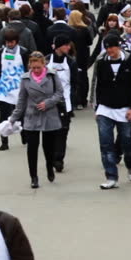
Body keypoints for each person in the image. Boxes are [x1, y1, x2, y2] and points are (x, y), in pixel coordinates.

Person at [6, 52, 64, 189]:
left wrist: (48, 103)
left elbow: (59, 93)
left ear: (44, 65)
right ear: (29, 66)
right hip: (32, 116)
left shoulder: (52, 75)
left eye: (38, 67)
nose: (36, 70)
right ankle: (34, 176)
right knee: (32, 148)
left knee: (48, 148)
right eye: (33, 68)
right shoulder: (25, 79)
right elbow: (21, 100)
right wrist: (12, 119)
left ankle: (49, 167)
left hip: (49, 114)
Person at [93, 34, 131, 190]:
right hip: (105, 108)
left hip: (125, 108)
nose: (109, 50)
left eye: (111, 47)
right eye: (106, 47)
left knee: (126, 141)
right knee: (105, 144)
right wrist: (96, 107)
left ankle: (130, 164)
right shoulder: (101, 61)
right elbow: (96, 84)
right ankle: (111, 176)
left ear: (118, 46)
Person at [0, 29, 30, 151]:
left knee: (20, 113)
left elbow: (28, 70)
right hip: (4, 87)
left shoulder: (24, 53)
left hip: (19, 88)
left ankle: (23, 133)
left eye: (12, 42)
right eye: (7, 42)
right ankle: (4, 141)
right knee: (3, 115)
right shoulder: (1, 52)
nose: (9, 44)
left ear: (17, 41)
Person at [46, 35, 77, 172]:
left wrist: (74, 100)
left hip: (66, 101)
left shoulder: (71, 62)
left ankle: (59, 158)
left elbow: (75, 82)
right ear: (59, 46)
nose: (69, 47)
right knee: (51, 131)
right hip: (49, 101)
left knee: (63, 130)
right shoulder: (47, 60)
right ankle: (51, 156)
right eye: (66, 45)